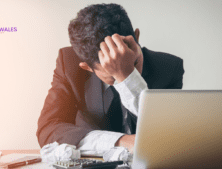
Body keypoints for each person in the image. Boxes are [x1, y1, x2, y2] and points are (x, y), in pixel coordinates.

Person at [36, 3, 184, 154]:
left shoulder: (169, 68)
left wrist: (128, 78)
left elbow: (168, 136)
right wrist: (119, 141)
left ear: (136, 37)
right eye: (113, 75)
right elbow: (48, 128)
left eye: (133, 63)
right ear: (87, 67)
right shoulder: (69, 64)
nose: (123, 76)